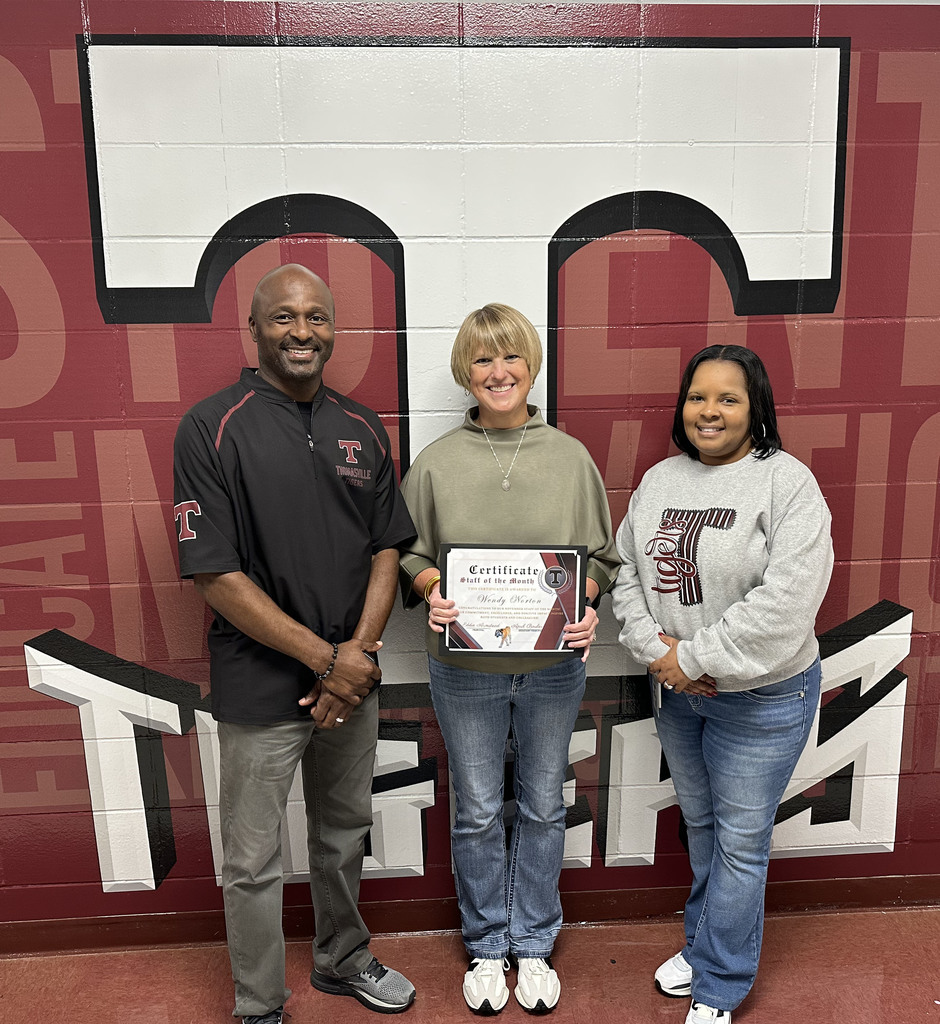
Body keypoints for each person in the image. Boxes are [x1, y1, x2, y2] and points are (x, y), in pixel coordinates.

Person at [173, 264, 418, 1024]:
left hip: (352, 678)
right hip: (259, 680)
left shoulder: (360, 424)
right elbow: (214, 574)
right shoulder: (211, 426)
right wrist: (326, 659)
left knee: (343, 833)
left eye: (316, 317)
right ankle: (258, 1005)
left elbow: (387, 548)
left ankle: (342, 960)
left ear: (333, 329)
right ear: (254, 329)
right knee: (251, 861)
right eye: (284, 318)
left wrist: (360, 657)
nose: (302, 331)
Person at [399, 304, 620, 1015]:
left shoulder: (570, 457)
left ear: (531, 365)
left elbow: (602, 561)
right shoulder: (434, 464)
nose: (498, 373)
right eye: (483, 361)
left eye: (511, 358)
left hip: (554, 667)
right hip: (465, 670)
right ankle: (489, 946)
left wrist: (583, 603)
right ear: (467, 373)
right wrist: (432, 591)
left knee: (544, 806)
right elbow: (412, 555)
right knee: (477, 811)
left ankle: (534, 942)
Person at [611, 345, 833, 1024]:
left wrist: (697, 657)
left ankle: (720, 985)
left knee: (739, 842)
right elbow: (626, 578)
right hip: (680, 693)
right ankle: (707, 943)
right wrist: (664, 657)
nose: (710, 411)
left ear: (755, 408)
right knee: (702, 828)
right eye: (698, 397)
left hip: (763, 699)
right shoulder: (658, 481)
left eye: (728, 398)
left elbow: (787, 605)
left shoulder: (786, 484)